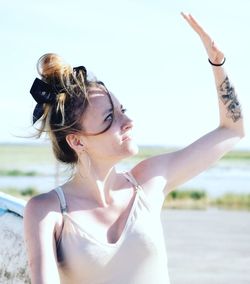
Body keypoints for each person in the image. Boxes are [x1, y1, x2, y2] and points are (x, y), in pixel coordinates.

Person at [24, 12, 244, 284]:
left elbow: (232, 131)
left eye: (122, 110)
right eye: (109, 118)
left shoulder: (150, 180)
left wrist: (217, 62)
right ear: (77, 141)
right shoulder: (47, 211)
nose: (128, 122)